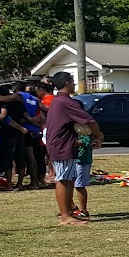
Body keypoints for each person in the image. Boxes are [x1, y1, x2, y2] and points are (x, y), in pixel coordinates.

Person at [42, 72, 100, 225]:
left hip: (64, 144)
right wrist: (99, 135)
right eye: (73, 81)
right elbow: (89, 120)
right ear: (67, 83)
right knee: (63, 179)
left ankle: (68, 212)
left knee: (68, 180)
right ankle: (64, 216)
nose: (74, 84)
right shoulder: (66, 101)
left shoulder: (58, 100)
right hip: (62, 146)